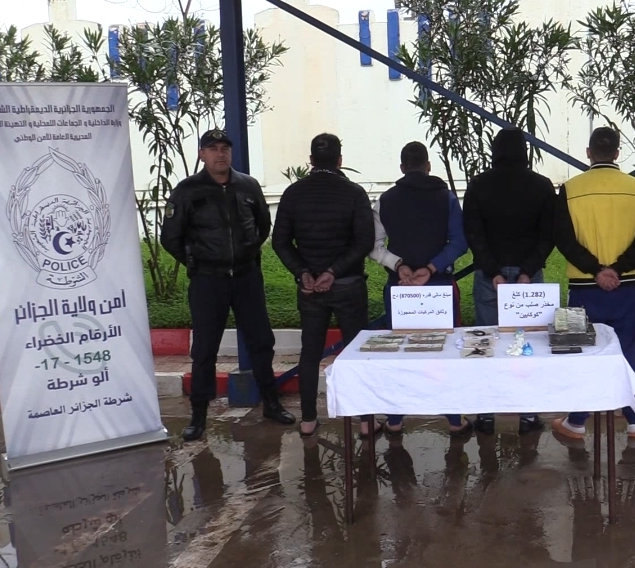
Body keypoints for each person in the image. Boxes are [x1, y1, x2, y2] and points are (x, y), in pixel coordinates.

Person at [160, 129, 296, 442]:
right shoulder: (187, 190)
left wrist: (248, 252)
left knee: (261, 342)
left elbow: (262, 225)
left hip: (246, 277)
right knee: (205, 349)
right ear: (201, 154)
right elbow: (170, 237)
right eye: (213, 149)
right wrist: (195, 261)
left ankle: (271, 403)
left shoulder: (248, 185)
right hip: (209, 280)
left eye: (224, 148)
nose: (220, 154)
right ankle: (199, 415)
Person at [271, 133, 380, 438]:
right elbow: (364, 242)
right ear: (340, 160)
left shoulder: (293, 193)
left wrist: (303, 273)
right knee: (357, 352)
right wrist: (333, 272)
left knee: (310, 353)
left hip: (309, 290)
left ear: (310, 161)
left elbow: (280, 242)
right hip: (348, 284)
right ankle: (365, 421)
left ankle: (308, 420)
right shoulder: (354, 193)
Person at [551, 126, 635, 440]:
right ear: (617, 153)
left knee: (583, 354)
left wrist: (596, 270)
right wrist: (617, 270)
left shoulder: (570, 189)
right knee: (625, 352)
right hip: (625, 287)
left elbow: (564, 239)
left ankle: (576, 422)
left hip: (584, 289)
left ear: (588, 153)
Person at [370, 141, 473, 436]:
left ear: (402, 168)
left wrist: (399, 266)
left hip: (400, 286)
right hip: (439, 285)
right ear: (428, 166)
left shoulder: (386, 200)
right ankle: (454, 420)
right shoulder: (446, 197)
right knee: (446, 352)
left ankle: (394, 420)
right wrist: (430, 268)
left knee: (400, 352)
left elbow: (374, 246)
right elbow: (460, 242)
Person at [462, 127, 555, 435]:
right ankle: (527, 415)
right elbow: (547, 236)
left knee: (486, 343)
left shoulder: (478, 185)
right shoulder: (542, 186)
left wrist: (494, 273)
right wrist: (527, 271)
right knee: (528, 344)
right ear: (525, 152)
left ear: (494, 151)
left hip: (490, 278)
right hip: (530, 279)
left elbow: (473, 233)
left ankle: (486, 415)